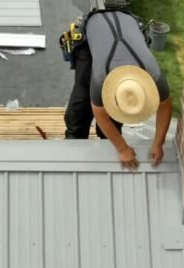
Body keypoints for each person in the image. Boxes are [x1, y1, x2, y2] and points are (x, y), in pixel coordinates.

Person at [64, 10, 172, 169]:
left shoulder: (154, 77)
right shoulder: (101, 78)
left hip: (126, 22)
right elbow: (99, 113)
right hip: (93, 28)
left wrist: (158, 143)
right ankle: (74, 141)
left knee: (114, 119)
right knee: (81, 101)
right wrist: (122, 149)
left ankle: (107, 141)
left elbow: (165, 108)